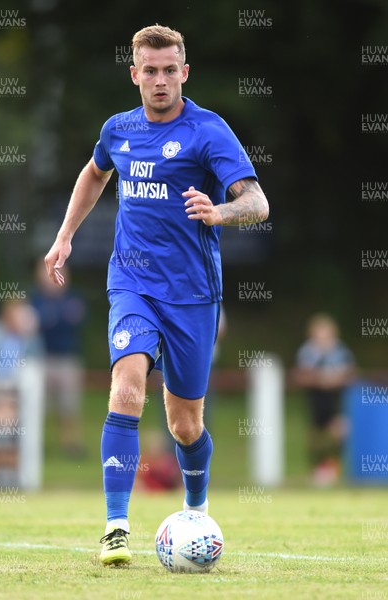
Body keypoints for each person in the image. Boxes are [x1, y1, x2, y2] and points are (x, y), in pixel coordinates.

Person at [44, 24, 269, 566]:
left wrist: (221, 212)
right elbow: (95, 174)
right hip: (132, 285)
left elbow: (258, 202)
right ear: (135, 74)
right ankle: (116, 527)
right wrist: (65, 235)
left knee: (184, 423)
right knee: (125, 384)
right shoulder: (117, 130)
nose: (161, 80)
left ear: (184, 72)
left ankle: (196, 510)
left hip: (192, 295)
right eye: (151, 70)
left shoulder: (209, 131)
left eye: (171, 70)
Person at [30, 259, 86, 457]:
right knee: (38, 406)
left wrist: (49, 319)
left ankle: (71, 446)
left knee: (69, 407)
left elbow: (71, 320)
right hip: (41, 360)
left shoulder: (73, 297)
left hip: (67, 360)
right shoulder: (34, 298)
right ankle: (36, 447)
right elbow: (34, 325)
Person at [294, 313, 356, 486]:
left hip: (336, 400)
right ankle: (318, 471)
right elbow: (301, 376)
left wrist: (334, 380)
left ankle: (334, 469)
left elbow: (350, 374)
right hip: (315, 400)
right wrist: (320, 380)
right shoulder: (307, 352)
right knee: (316, 438)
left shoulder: (340, 351)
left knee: (338, 432)